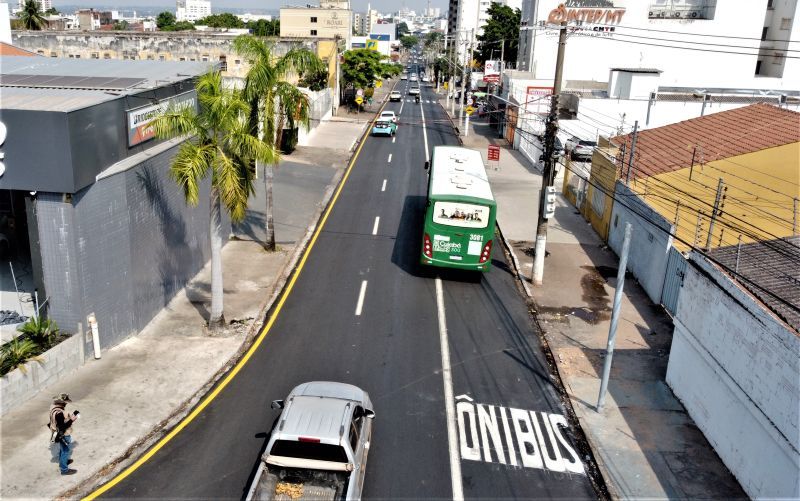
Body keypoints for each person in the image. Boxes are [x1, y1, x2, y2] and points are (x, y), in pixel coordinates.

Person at [50, 393, 78, 475]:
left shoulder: (53, 408)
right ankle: (64, 469)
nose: (66, 403)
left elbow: (55, 423)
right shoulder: (60, 413)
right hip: (63, 434)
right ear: (62, 402)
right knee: (65, 450)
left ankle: (64, 461)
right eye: (65, 402)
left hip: (56, 432)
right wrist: (71, 420)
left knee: (62, 449)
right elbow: (62, 427)